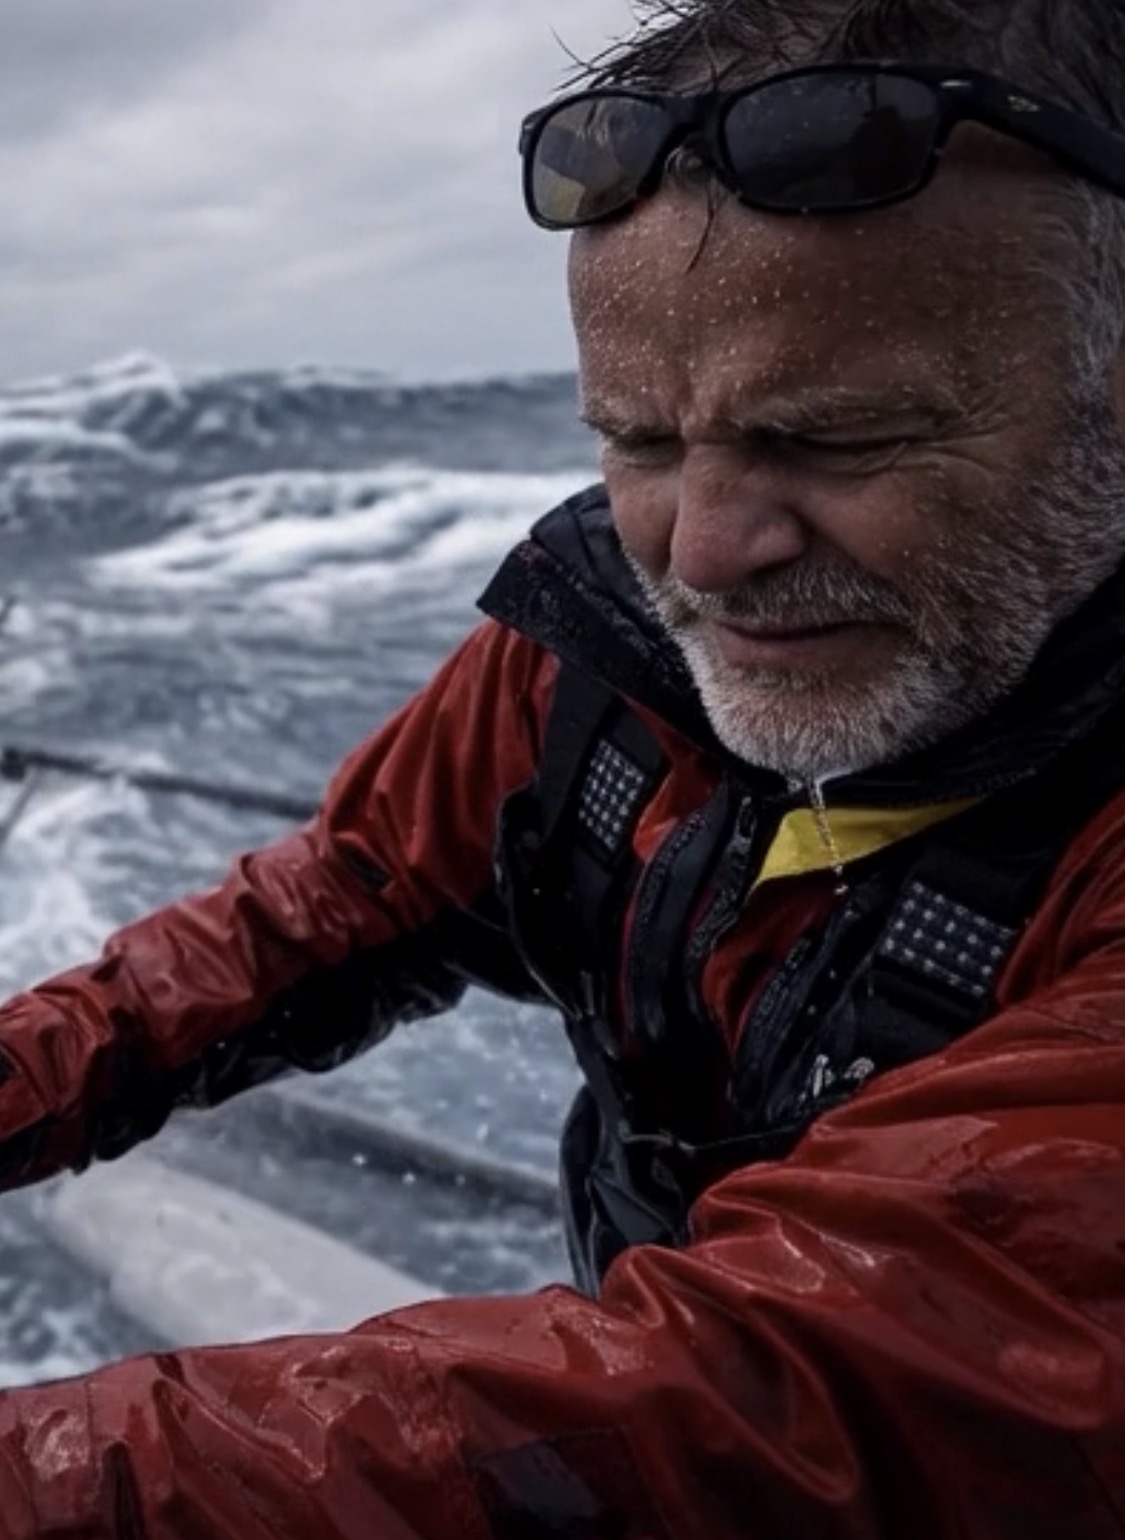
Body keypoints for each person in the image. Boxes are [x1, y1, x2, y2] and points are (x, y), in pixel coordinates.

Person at [5, 1, 1125, 1534]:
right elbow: (338, 902)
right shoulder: (601, 650)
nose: (706, 554)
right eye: (638, 442)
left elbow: (781, 1390)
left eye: (844, 439)